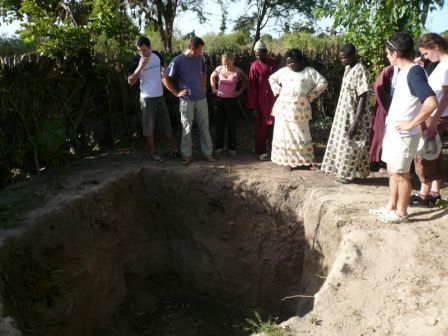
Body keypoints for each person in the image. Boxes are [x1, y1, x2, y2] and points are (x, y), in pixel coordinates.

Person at [369, 32, 437, 223]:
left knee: (401, 174)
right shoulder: (404, 71)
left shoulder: (414, 72)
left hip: (405, 135)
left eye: (388, 52)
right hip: (395, 132)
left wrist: (411, 123)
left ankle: (402, 213)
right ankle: (391, 207)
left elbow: (431, 102)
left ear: (396, 53)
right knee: (393, 171)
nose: (387, 56)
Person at [268, 48, 328, 171]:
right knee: (285, 136)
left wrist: (311, 95)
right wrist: (278, 90)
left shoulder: (309, 72)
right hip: (283, 110)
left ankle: (305, 161)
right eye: (288, 62)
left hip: (300, 110)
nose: (290, 65)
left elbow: (323, 83)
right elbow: (271, 79)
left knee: (302, 134)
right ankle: (287, 162)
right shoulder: (284, 71)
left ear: (300, 61)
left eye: (293, 62)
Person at [321, 43, 371, 184]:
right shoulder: (348, 68)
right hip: (344, 113)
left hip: (355, 114)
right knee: (344, 142)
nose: (342, 60)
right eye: (341, 58)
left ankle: (347, 174)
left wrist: (355, 121)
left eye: (344, 58)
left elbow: (363, 96)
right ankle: (351, 172)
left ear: (353, 55)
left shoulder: (360, 70)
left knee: (351, 143)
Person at [409, 33, 448, 207]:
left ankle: (424, 194)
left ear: (435, 46)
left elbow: (446, 96)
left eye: (426, 53)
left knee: (424, 154)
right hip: (436, 116)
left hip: (437, 117)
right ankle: (434, 192)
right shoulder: (440, 65)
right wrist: (422, 67)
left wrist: (433, 122)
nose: (426, 57)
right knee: (435, 154)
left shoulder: (446, 65)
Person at [162, 36, 215, 165]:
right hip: (186, 100)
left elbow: (203, 73)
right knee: (187, 127)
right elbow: (165, 78)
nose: (201, 53)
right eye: (199, 50)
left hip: (201, 99)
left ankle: (208, 153)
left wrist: (203, 86)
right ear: (192, 48)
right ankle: (187, 155)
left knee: (204, 127)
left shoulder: (200, 58)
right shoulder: (178, 61)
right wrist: (176, 93)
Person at [127, 35, 179, 162]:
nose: (142, 53)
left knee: (166, 125)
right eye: (139, 50)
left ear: (149, 47)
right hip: (147, 98)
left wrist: (163, 71)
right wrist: (140, 67)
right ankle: (153, 153)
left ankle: (175, 150)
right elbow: (130, 81)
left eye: (144, 50)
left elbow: (164, 68)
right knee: (148, 128)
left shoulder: (157, 55)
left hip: (160, 96)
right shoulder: (136, 61)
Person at [210, 52, 248, 156]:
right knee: (219, 124)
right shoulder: (219, 69)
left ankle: (232, 147)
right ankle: (219, 147)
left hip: (231, 101)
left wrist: (239, 92)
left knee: (231, 125)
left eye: (228, 63)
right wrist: (214, 88)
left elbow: (246, 81)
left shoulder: (238, 71)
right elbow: (212, 77)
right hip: (219, 100)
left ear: (232, 61)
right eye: (224, 64)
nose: (226, 66)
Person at [247, 40, 278, 161]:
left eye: (261, 54)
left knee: (276, 126)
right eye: (256, 54)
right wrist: (253, 107)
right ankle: (261, 151)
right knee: (261, 127)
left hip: (275, 99)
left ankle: (275, 150)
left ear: (266, 52)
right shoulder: (254, 66)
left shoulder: (275, 63)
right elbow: (252, 86)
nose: (259, 56)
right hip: (261, 101)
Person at [369, 65, 399, 171]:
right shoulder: (389, 70)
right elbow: (378, 88)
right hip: (385, 107)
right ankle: (376, 161)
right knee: (380, 133)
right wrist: (387, 102)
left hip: (397, 108)